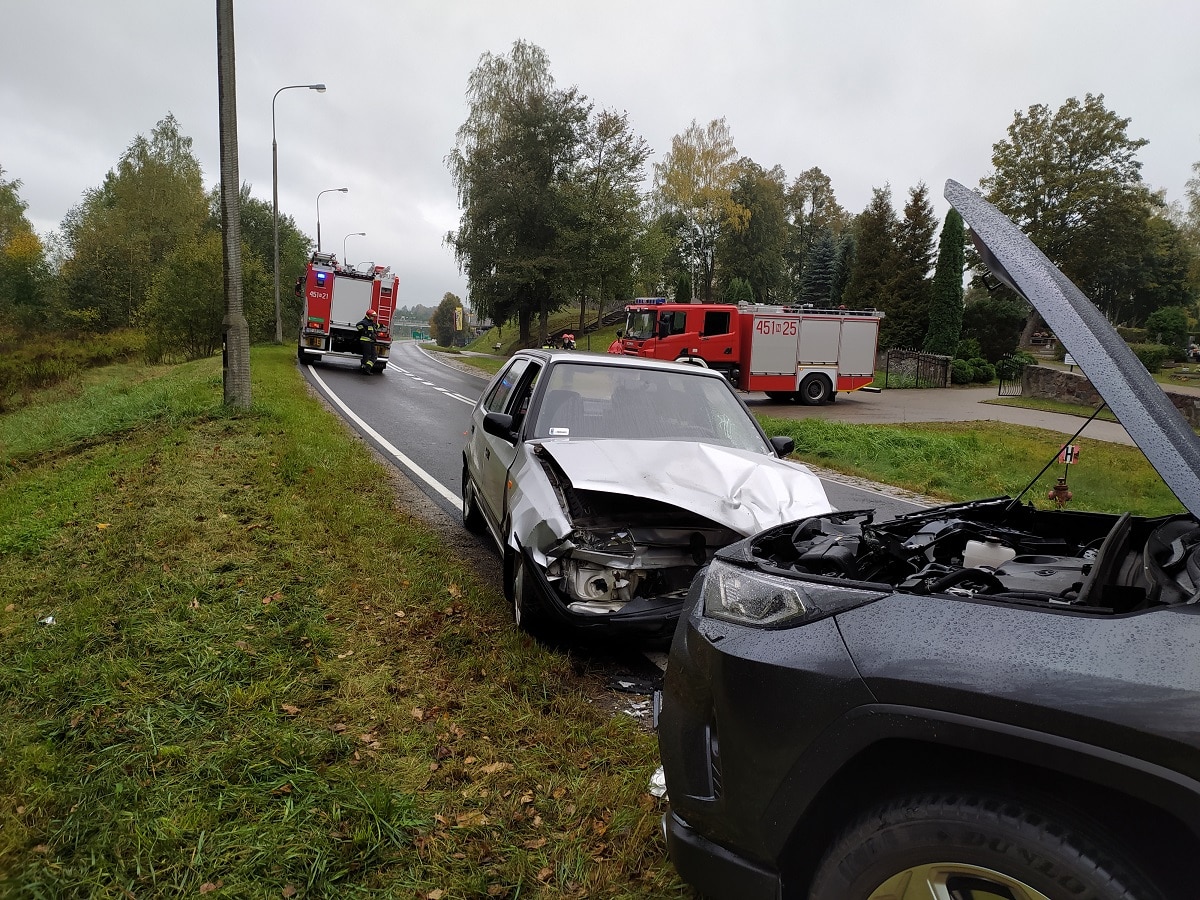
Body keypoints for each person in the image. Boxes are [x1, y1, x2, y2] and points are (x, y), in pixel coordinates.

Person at [356, 309, 380, 373]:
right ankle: (364, 368)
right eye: (372, 316)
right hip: (365, 341)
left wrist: (381, 325)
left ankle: (367, 367)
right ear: (369, 315)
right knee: (366, 356)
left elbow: (376, 326)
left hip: (371, 341)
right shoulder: (365, 322)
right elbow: (358, 325)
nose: (373, 317)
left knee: (374, 356)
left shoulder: (371, 323)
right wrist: (364, 331)